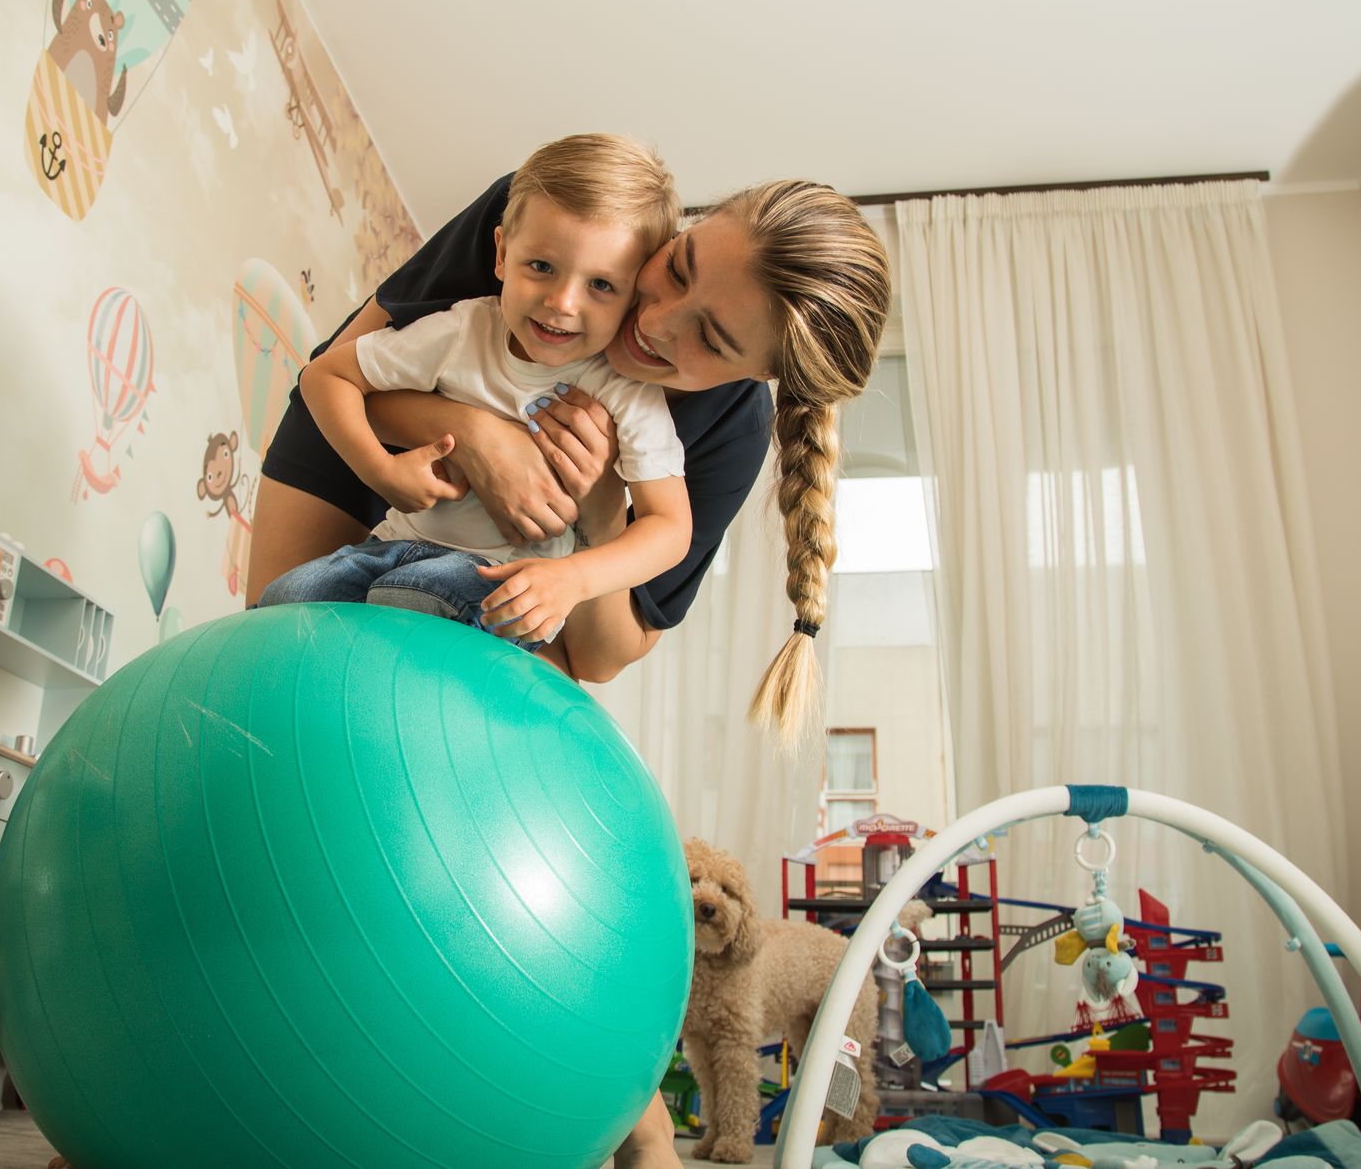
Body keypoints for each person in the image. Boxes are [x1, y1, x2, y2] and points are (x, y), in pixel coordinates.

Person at [248, 158, 890, 1169]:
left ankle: (615, 1099)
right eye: (672, 268)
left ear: (754, 374)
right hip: (374, 444)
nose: (654, 321)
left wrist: (594, 504)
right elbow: (351, 369)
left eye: (710, 338)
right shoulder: (565, 228)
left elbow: (603, 649)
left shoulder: (725, 428)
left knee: (482, 789)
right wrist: (481, 436)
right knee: (268, 695)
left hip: (533, 565)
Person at [256, 134, 691, 650]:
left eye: (601, 286)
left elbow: (670, 527)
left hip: (500, 582)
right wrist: (382, 470)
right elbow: (325, 377)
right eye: (542, 267)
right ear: (503, 254)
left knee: (414, 598)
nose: (563, 302)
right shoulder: (461, 330)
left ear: (633, 296)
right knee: (283, 603)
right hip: (394, 545)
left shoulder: (624, 392)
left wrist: (574, 579)